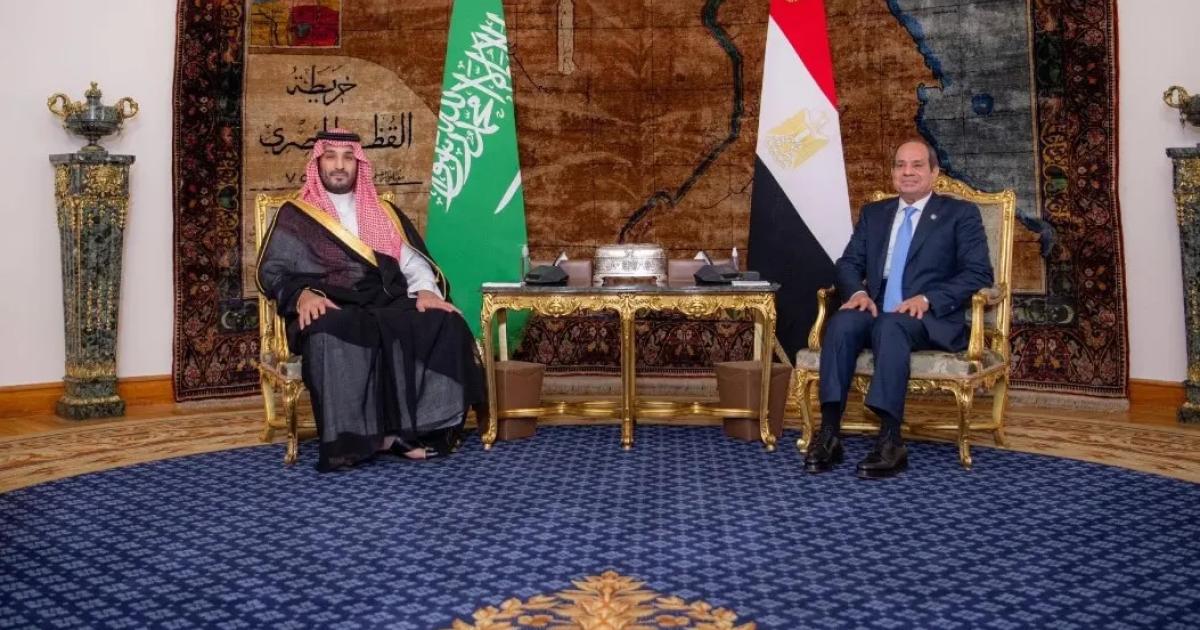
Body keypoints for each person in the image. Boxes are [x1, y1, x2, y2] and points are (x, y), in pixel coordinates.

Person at [257, 129, 484, 471]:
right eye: (331, 156)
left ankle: (418, 431)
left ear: (358, 164)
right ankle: (358, 437)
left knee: (445, 322)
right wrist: (302, 295)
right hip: (332, 304)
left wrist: (425, 290)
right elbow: (272, 271)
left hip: (384, 301)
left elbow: (411, 262)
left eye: (348, 157)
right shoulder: (297, 215)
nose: (339, 165)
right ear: (317, 163)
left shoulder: (382, 211)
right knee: (327, 330)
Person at [805, 139, 993, 479]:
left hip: (927, 317)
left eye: (917, 165)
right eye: (900, 165)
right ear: (892, 173)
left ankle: (890, 440)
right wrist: (858, 292)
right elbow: (848, 262)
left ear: (934, 173)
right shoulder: (875, 213)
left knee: (891, 326)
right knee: (843, 322)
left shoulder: (959, 214)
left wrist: (928, 298)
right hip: (877, 309)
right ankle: (829, 433)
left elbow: (978, 273)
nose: (907, 172)